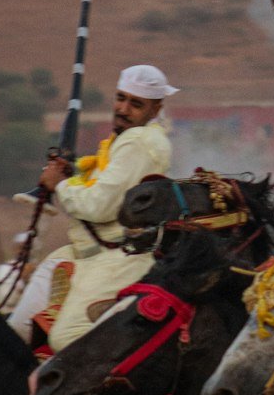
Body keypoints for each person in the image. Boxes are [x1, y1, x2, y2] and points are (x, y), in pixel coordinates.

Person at [38, 65, 178, 352]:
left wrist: (59, 186)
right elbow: (104, 188)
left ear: (156, 109)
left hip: (119, 257)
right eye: (120, 98)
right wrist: (70, 177)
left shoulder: (139, 141)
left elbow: (99, 206)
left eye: (136, 104)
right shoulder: (125, 139)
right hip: (87, 253)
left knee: (65, 337)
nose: (123, 109)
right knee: (21, 318)